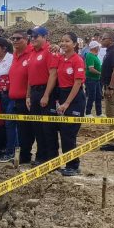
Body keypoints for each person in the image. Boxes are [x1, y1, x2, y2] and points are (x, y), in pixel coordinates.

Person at [25, 26, 58, 164]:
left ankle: (52, 159)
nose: (33, 39)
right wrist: (28, 95)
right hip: (34, 92)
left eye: (36, 36)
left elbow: (53, 74)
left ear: (45, 37)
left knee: (48, 127)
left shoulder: (50, 51)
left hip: (45, 90)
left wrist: (46, 95)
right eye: (31, 36)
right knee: (37, 126)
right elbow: (29, 76)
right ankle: (41, 155)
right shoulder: (31, 52)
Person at [56, 32, 86, 176]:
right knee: (63, 133)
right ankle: (69, 163)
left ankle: (73, 165)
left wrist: (67, 103)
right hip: (62, 96)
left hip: (74, 99)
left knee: (69, 134)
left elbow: (78, 82)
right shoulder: (61, 59)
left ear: (74, 44)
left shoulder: (77, 60)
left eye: (67, 41)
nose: (64, 44)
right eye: (62, 41)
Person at [8, 30, 33, 164]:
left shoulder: (31, 53)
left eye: (18, 38)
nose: (15, 41)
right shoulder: (15, 55)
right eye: (13, 38)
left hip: (26, 99)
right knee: (21, 129)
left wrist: (28, 96)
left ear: (26, 39)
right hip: (15, 99)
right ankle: (24, 154)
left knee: (28, 130)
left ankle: (26, 155)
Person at [84, 41, 102, 117]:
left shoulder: (94, 55)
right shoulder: (90, 56)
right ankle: (88, 112)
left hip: (96, 79)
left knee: (98, 95)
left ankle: (99, 112)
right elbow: (91, 69)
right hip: (91, 79)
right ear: (95, 48)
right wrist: (100, 73)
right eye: (98, 47)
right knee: (92, 96)